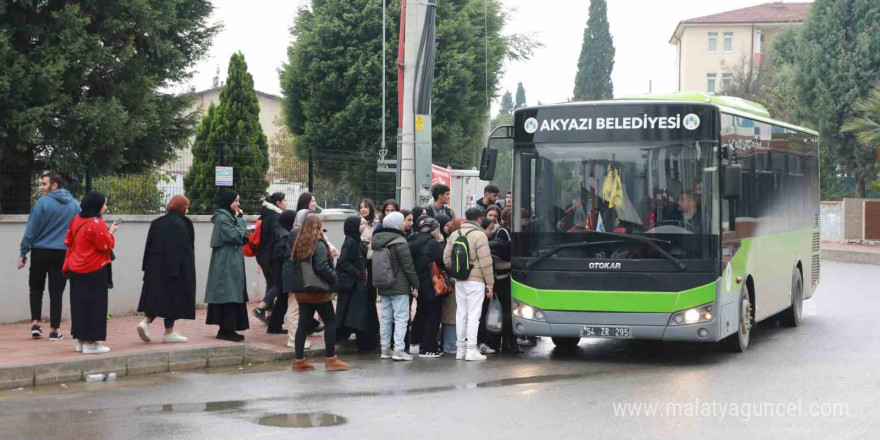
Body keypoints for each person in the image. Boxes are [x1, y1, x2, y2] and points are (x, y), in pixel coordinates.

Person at [18, 172, 81, 340]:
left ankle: (36, 325)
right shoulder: (75, 205)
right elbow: (79, 228)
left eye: (44, 184)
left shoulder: (42, 203)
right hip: (62, 253)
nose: (42, 187)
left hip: (40, 252)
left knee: (36, 288)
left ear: (54, 185)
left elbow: (31, 229)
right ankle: (54, 330)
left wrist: (24, 252)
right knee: (57, 292)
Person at [290, 215, 348, 371]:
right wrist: (334, 279)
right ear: (319, 227)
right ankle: (331, 359)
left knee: (302, 326)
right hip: (318, 291)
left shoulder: (300, 242)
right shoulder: (319, 243)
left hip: (302, 291)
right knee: (330, 322)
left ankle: (298, 360)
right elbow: (322, 267)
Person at [136, 195, 196, 344]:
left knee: (156, 296)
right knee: (174, 300)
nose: (187, 210)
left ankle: (145, 321)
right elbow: (184, 250)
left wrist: (146, 268)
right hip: (174, 268)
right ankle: (168, 332)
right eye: (186, 207)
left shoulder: (158, 222)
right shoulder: (182, 223)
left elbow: (148, 246)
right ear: (182, 207)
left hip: (154, 267)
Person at [63, 191, 116, 354]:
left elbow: (68, 240)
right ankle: (91, 343)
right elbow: (105, 245)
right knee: (95, 306)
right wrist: (111, 232)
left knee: (79, 305)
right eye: (104, 204)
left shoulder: (76, 219)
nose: (105, 207)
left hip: (75, 269)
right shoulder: (97, 223)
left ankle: (81, 340)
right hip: (94, 269)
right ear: (97, 205)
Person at [444, 208, 494, 361]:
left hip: (460, 281)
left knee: (461, 314)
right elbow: (486, 262)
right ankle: (471, 350)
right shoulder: (480, 236)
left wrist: (457, 272)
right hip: (476, 281)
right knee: (474, 315)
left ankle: (460, 349)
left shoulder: (455, 234)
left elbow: (446, 258)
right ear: (479, 220)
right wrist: (490, 284)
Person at [372, 212, 420, 361]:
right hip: (399, 285)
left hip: (384, 284)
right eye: (402, 221)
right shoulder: (399, 241)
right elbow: (408, 266)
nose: (404, 224)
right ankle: (399, 349)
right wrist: (416, 284)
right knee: (401, 318)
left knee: (386, 318)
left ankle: (385, 349)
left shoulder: (378, 241)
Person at [205, 190, 250, 342]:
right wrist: (241, 221)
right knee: (228, 293)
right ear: (227, 201)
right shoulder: (222, 218)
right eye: (235, 201)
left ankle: (228, 328)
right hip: (226, 261)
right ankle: (226, 329)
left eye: (238, 201)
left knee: (233, 293)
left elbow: (242, 237)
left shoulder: (230, 217)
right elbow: (234, 235)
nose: (238, 204)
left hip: (232, 258)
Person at [335, 216, 376, 353]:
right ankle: (362, 345)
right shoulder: (350, 242)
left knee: (354, 315)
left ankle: (362, 343)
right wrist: (358, 273)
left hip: (357, 284)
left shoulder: (356, 241)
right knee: (355, 315)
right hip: (354, 285)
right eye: (361, 224)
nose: (364, 226)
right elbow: (343, 263)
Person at [408, 217, 447, 358]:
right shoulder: (432, 243)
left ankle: (414, 342)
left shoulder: (412, 240)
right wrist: (441, 243)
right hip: (431, 283)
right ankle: (428, 347)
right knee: (433, 314)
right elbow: (442, 262)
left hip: (416, 283)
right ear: (434, 229)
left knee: (421, 312)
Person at [282, 210, 320, 349]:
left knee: (295, 308)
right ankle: (293, 339)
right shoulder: (295, 233)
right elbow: (301, 252)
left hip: (296, 274)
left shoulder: (298, 233)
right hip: (294, 275)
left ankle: (296, 337)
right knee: (294, 308)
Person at [253, 193, 287, 325]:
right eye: (284, 200)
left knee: (271, 282)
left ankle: (269, 315)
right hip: (272, 255)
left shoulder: (264, 215)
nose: (286, 203)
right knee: (278, 283)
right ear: (278, 203)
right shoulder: (276, 217)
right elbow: (278, 236)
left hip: (261, 255)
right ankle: (261, 309)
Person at [490, 207, 521, 353]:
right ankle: (507, 343)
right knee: (507, 312)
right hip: (503, 279)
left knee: (509, 311)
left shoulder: (507, 231)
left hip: (506, 278)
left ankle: (509, 342)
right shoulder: (503, 232)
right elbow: (498, 258)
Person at [266, 209, 296, 334]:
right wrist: (291, 256)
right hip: (282, 271)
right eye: (294, 220)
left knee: (282, 300)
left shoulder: (281, 231)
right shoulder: (284, 235)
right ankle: (274, 326)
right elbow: (279, 254)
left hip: (279, 271)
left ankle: (274, 326)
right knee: (283, 300)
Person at [437, 214, 458, 353]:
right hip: (447, 282)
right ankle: (449, 344)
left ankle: (447, 342)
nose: (448, 226)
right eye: (446, 224)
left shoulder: (448, 240)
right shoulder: (444, 243)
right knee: (450, 314)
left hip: (443, 282)